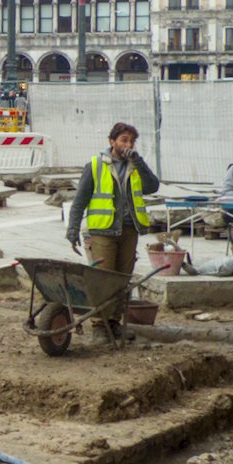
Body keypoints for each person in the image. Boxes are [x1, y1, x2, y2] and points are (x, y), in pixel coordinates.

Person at [66, 123, 160, 338]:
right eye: (124, 140)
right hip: (103, 230)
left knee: (122, 278)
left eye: (131, 141)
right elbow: (79, 201)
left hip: (129, 229)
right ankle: (100, 326)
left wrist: (139, 161)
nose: (128, 145)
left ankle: (114, 323)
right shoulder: (96, 165)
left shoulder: (135, 165)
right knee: (104, 279)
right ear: (112, 141)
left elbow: (152, 186)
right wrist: (72, 230)